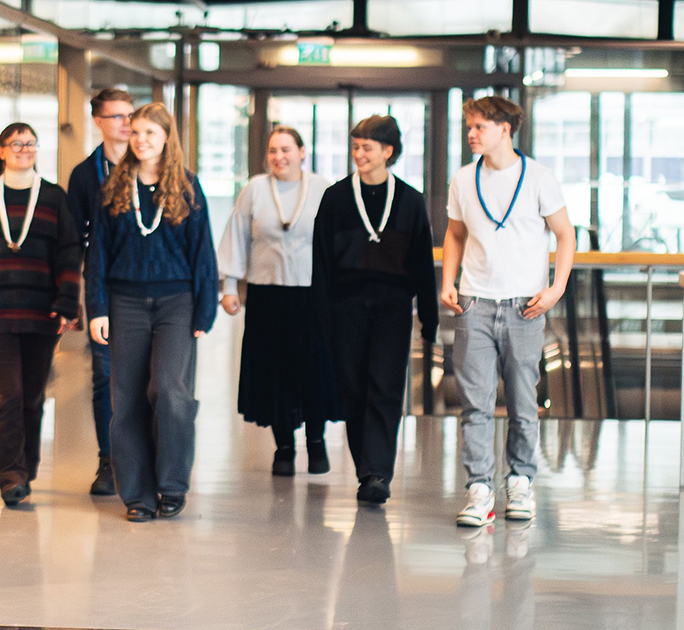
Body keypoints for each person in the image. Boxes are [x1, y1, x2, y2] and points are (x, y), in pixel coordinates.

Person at [441, 96, 576, 527]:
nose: (471, 134)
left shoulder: (538, 177)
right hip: (475, 303)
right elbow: (455, 234)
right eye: (469, 127)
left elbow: (565, 234)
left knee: (522, 402)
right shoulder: (464, 179)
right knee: (474, 403)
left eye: (479, 126)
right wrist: (448, 282)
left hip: (526, 306)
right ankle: (479, 489)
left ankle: (520, 482)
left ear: (505, 129)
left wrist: (556, 288)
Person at [85, 103, 218, 522]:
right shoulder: (114, 188)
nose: (141, 140)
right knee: (125, 399)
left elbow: (204, 256)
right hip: (124, 303)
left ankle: (172, 484)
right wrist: (97, 308)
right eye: (136, 132)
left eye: (151, 133)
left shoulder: (188, 188)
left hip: (177, 303)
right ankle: (138, 495)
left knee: (168, 390)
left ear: (166, 139)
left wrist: (204, 312)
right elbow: (98, 256)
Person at [312, 115, 439, 506]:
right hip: (345, 304)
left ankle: (377, 474)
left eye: (367, 147)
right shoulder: (335, 198)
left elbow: (421, 263)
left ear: (388, 152)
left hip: (392, 306)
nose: (359, 154)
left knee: (385, 387)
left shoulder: (410, 200)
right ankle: (365, 467)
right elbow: (319, 261)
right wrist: (319, 316)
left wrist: (429, 320)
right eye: (355, 147)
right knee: (354, 387)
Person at [0, 123, 83, 507]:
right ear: (1, 150)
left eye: (31, 143)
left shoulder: (54, 197)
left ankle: (26, 468)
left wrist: (66, 303)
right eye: (16, 143)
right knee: (5, 397)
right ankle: (9, 475)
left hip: (41, 313)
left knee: (31, 397)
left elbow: (69, 253)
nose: (24, 149)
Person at [218, 125, 339, 476]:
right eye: (273, 151)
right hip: (267, 294)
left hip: (312, 296)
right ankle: (283, 447)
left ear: (302, 152)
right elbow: (237, 237)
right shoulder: (255, 189)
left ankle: (316, 442)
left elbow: (335, 243)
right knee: (274, 372)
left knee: (314, 370)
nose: (279, 157)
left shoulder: (322, 188)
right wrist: (228, 286)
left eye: (286, 149)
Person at [66, 88, 137, 496]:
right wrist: (74, 297)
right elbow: (74, 241)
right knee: (106, 376)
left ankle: (142, 457)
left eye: (130, 115)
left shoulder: (150, 165)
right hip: (102, 289)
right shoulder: (83, 175)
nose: (126, 124)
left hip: (144, 287)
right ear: (98, 121)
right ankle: (108, 461)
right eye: (117, 117)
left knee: (144, 378)